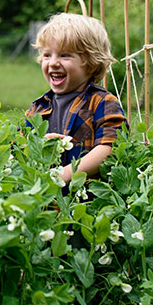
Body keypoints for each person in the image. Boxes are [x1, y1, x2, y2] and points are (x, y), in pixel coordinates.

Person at [25, 13, 127, 187]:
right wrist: (39, 145)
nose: (53, 63)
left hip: (88, 202)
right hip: (47, 201)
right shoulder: (38, 108)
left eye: (65, 55)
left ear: (91, 63)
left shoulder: (102, 103)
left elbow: (109, 149)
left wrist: (65, 174)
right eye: (47, 55)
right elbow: (21, 148)